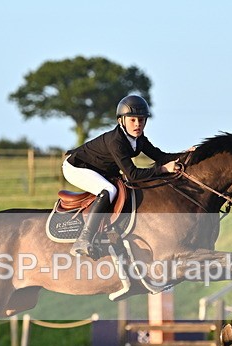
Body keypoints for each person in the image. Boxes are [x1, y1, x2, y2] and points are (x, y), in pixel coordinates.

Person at [62, 94, 187, 257]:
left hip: (101, 169)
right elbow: (133, 174)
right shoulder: (116, 141)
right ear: (121, 121)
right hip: (76, 167)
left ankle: (113, 236)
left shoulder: (139, 138)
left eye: (141, 120)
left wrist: (185, 155)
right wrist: (162, 170)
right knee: (109, 190)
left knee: (123, 190)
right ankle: (84, 239)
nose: (137, 124)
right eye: (132, 120)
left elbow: (160, 156)